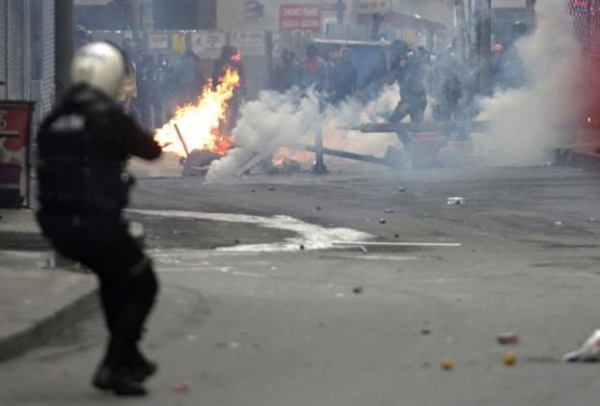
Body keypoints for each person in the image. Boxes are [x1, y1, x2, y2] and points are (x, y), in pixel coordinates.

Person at [36, 42, 163, 397]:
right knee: (143, 282)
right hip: (94, 224)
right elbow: (151, 151)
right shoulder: (106, 117)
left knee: (114, 278)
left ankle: (129, 357)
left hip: (55, 226)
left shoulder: (53, 120)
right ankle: (116, 364)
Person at [386, 43, 428, 150]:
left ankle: (410, 145)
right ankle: (414, 148)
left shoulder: (409, 64)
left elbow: (389, 81)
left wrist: (398, 68)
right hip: (420, 99)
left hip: (411, 101)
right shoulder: (414, 61)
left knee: (394, 121)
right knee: (417, 128)